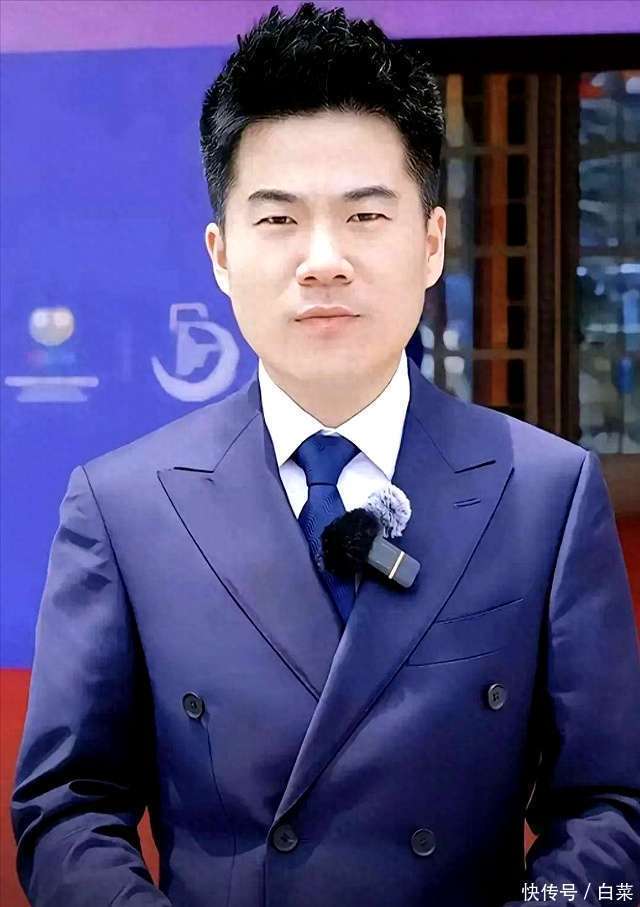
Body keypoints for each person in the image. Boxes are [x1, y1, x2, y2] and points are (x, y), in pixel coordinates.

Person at [11, 4, 640, 906]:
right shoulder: (125, 505)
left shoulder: (544, 491)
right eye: (278, 218)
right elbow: (69, 807)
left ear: (431, 242)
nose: (323, 260)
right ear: (220, 255)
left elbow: (612, 809)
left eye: (365, 214)